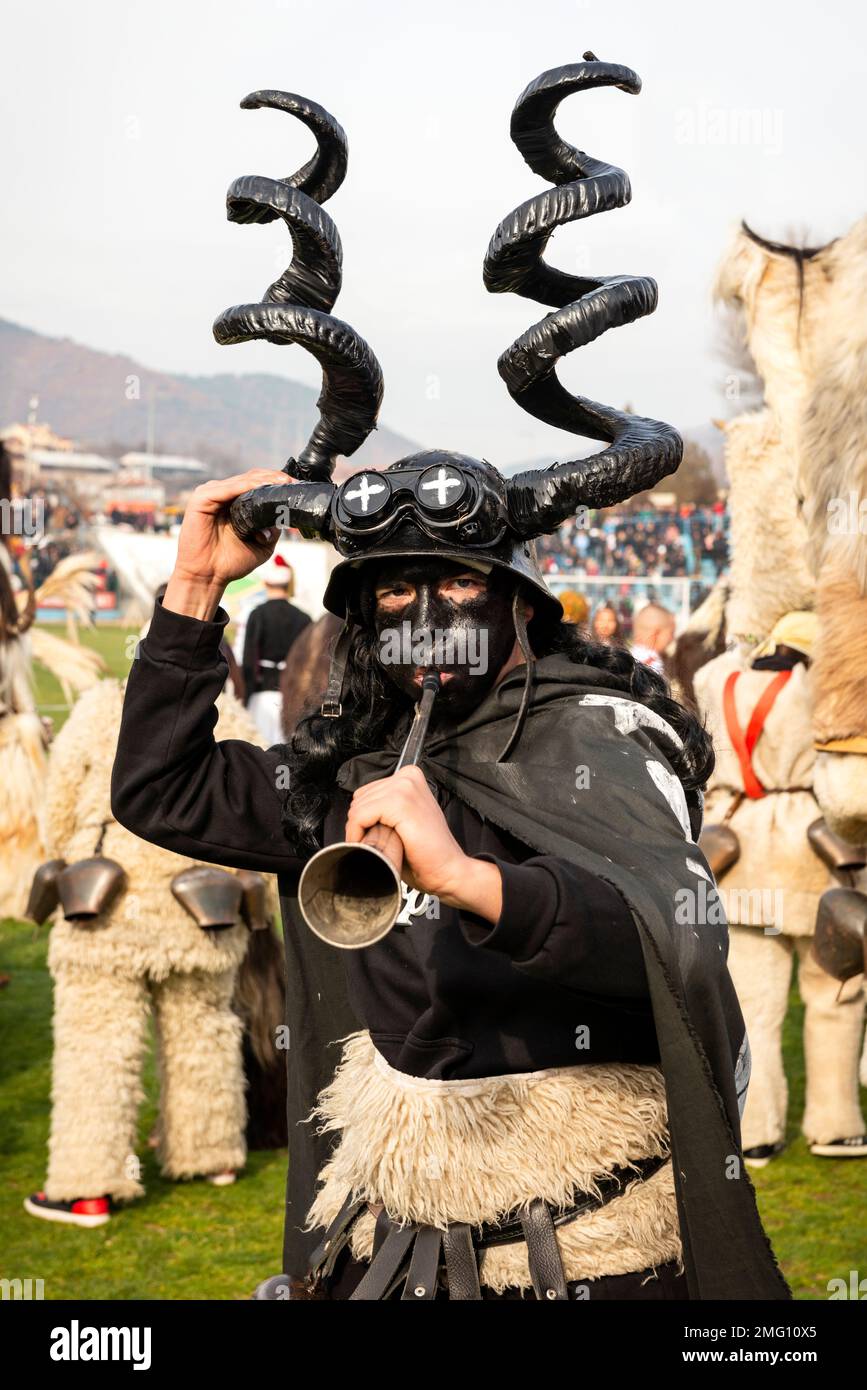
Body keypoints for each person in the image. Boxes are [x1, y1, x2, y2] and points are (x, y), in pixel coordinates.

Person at [110, 60, 789, 1301]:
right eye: (391, 595)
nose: (425, 616)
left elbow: (673, 937)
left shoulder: (601, 736)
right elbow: (161, 793)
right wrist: (193, 596)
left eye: (459, 587)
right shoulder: (350, 758)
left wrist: (471, 878)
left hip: (593, 1253)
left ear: (519, 602)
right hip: (395, 1246)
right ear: (360, 618)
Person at [242, 553, 310, 745]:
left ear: (266, 583)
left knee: (259, 750)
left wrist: (247, 695)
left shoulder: (257, 615)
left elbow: (249, 660)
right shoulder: (303, 618)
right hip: (293, 697)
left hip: (262, 694)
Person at [630, 602, 675, 676]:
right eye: (671, 633)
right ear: (656, 633)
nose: (672, 638)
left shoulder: (627, 660)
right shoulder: (654, 665)